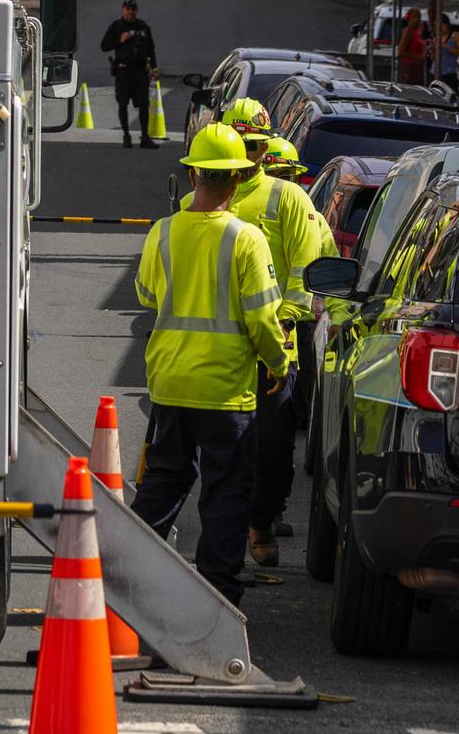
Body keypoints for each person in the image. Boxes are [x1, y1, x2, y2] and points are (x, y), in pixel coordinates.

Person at [132, 123, 290, 605]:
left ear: (194, 173)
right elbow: (263, 319)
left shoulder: (163, 232)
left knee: (162, 483)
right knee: (225, 496)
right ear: (240, 178)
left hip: (169, 383)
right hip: (225, 393)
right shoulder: (246, 240)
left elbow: (145, 294)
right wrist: (278, 363)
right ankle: (216, 594)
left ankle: (128, 576)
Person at [178, 99, 334, 565]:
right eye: (246, 145)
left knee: (272, 442)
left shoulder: (288, 198)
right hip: (216, 348)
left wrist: (285, 321)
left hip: (272, 342)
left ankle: (261, 521)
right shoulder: (195, 203)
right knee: (217, 445)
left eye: (260, 147)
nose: (255, 155)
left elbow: (305, 266)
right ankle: (222, 538)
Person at [98, 0, 159, 149]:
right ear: (123, 10)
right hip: (123, 72)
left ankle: (145, 137)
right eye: (127, 9)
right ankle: (126, 136)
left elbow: (151, 49)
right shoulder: (117, 26)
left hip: (140, 71)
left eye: (133, 9)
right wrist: (120, 40)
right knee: (123, 104)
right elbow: (104, 46)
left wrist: (154, 68)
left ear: (136, 11)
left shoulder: (143, 26)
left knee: (144, 104)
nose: (130, 12)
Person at [396, 7, 427, 84]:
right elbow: (400, 52)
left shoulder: (417, 31)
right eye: (414, 17)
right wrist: (420, 56)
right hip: (408, 67)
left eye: (418, 17)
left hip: (417, 67)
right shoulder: (408, 31)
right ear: (409, 18)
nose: (416, 20)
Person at [438, 23, 459, 96]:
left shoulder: (456, 36)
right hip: (440, 72)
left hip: (450, 73)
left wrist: (446, 47)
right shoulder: (437, 37)